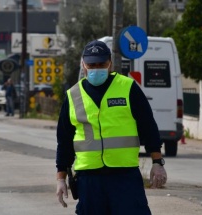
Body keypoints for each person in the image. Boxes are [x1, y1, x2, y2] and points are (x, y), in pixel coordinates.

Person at [56, 40, 167, 215]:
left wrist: (157, 162)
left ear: (110, 63)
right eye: (92, 64)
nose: (96, 68)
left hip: (124, 176)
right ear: (83, 64)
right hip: (89, 179)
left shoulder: (128, 88)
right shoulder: (73, 95)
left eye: (101, 64)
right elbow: (64, 141)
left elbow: (148, 127)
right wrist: (61, 178)